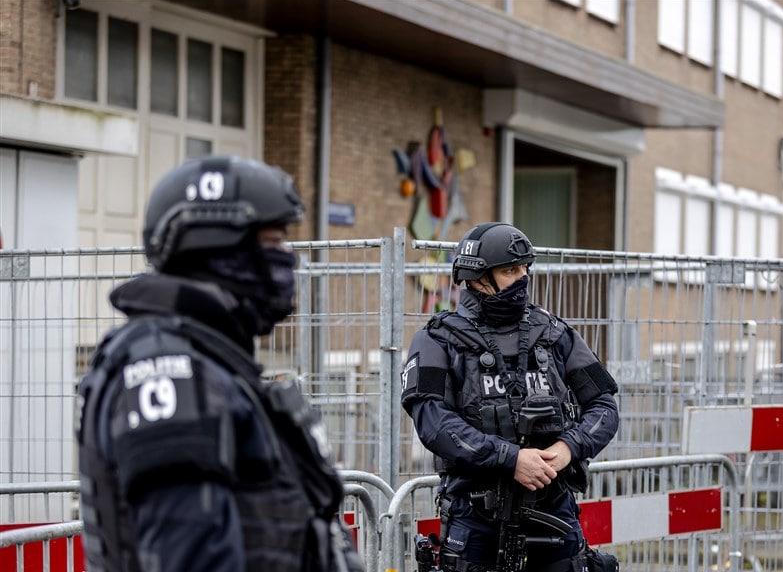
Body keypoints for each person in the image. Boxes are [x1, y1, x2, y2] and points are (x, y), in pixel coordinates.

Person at [76, 156, 365, 572]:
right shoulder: (170, 370)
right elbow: (191, 555)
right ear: (217, 247)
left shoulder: (214, 359)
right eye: (273, 243)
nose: (287, 259)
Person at [401, 222, 620, 572]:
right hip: (476, 517)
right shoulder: (437, 340)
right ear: (477, 277)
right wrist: (511, 459)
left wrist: (568, 447)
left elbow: (605, 407)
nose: (522, 279)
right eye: (509, 270)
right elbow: (433, 423)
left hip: (554, 508)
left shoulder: (554, 333)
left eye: (524, 269)